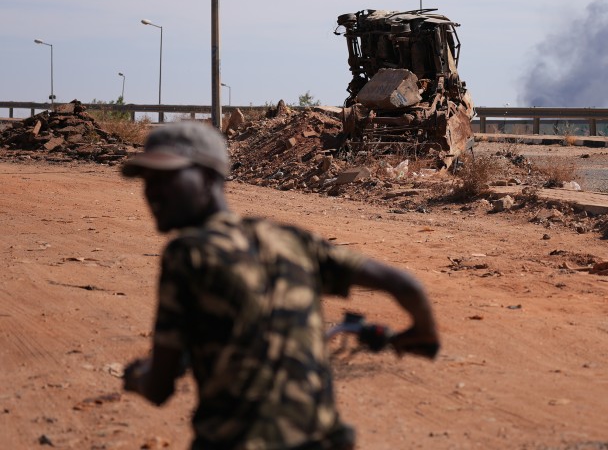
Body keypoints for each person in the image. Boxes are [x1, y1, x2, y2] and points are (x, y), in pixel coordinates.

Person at [120, 122, 439, 450]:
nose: (152, 192)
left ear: (209, 177)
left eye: (166, 178)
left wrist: (135, 379)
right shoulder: (289, 239)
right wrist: (423, 334)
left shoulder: (188, 252)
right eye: (148, 180)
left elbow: (159, 388)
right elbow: (405, 285)